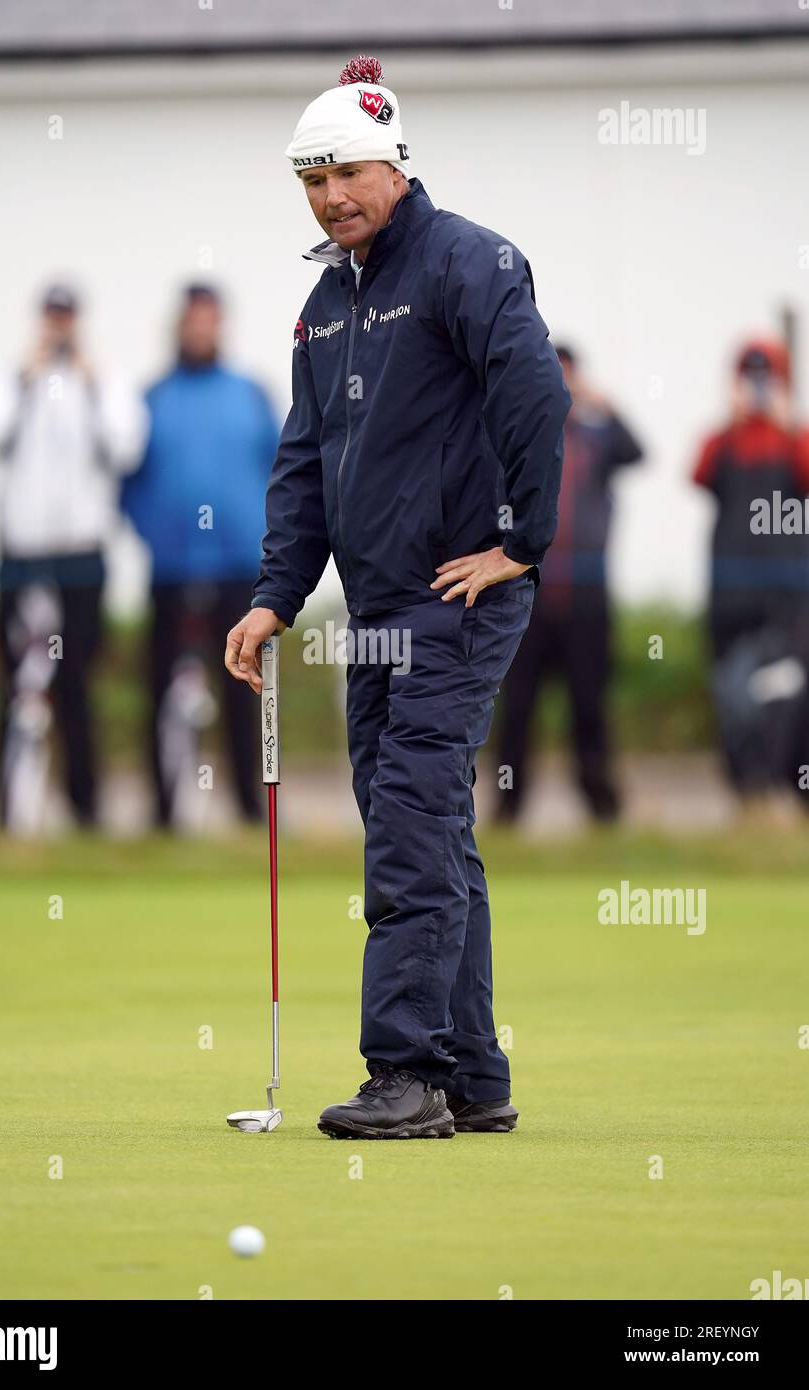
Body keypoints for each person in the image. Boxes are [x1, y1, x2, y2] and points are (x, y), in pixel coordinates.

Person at [225, 56, 569, 1139]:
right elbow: (304, 462)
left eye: (347, 174)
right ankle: (473, 1076)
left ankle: (406, 1075)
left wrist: (523, 542)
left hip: (454, 606)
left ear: (395, 163)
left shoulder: (470, 262)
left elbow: (536, 393)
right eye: (312, 181)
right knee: (426, 828)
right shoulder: (326, 306)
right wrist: (277, 595)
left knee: (412, 827)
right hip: (373, 617)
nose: (332, 198)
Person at [0, 283, 146, 829]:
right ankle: (10, 812)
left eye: (67, 317)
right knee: (15, 683)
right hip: (22, 559)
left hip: (81, 559)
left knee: (77, 685)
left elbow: (125, 447)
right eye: (52, 316)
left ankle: (83, 808)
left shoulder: (103, 382)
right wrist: (28, 375)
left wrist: (91, 383)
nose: (60, 326)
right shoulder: (7, 379)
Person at [122, 284, 277, 828]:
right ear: (179, 325)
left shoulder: (250, 395)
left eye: (210, 321)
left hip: (240, 570)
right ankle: (165, 813)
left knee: (244, 690)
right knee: (164, 690)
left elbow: (283, 473)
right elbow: (128, 482)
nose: (201, 330)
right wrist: (153, 535)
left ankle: (249, 808)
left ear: (221, 325)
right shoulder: (151, 399)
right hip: (172, 571)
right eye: (193, 321)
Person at [494, 344, 644, 822]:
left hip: (585, 598)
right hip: (527, 596)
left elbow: (636, 451)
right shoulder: (518, 435)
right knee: (517, 709)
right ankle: (508, 807)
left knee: (588, 706)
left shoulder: (597, 440)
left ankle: (602, 805)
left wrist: (601, 402)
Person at [693, 338, 809, 809]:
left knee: (790, 696)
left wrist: (786, 421)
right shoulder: (724, 442)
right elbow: (697, 472)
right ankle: (750, 795)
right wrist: (732, 418)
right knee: (734, 697)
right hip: (731, 599)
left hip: (789, 597)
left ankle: (792, 794)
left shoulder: (793, 439)